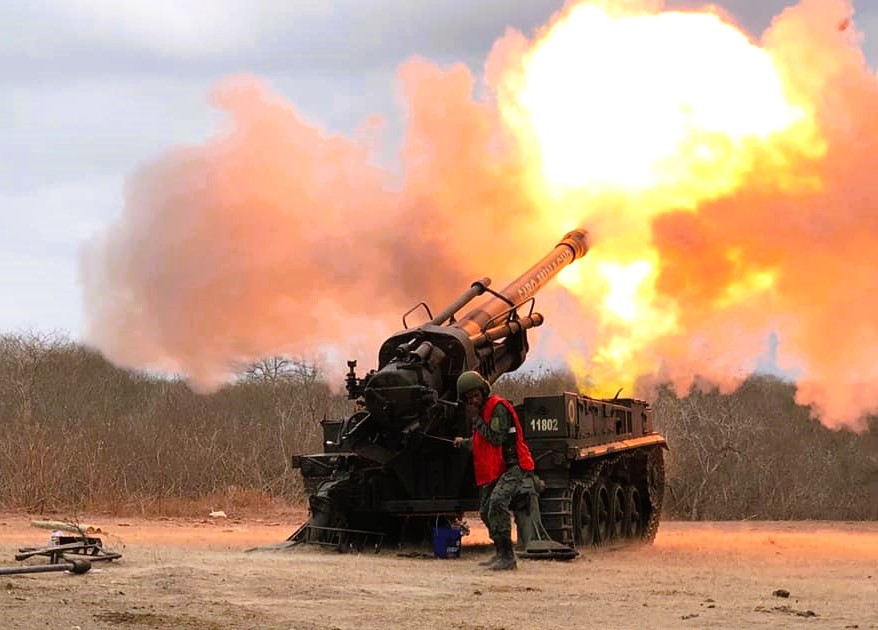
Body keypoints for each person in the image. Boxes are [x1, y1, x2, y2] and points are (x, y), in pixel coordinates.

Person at [453, 371, 535, 570]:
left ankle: (508, 556)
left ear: (483, 392)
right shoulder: (483, 413)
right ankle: (500, 552)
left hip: (514, 466)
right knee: (485, 512)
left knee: (498, 502)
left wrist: (476, 421)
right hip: (499, 468)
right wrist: (463, 443)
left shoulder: (496, 407)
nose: (473, 400)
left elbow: (496, 437)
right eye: (469, 397)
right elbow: (481, 443)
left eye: (476, 395)